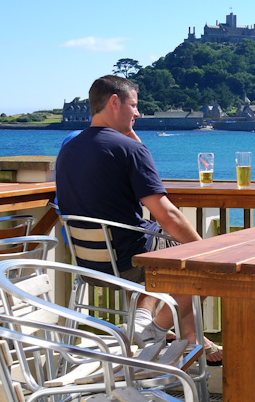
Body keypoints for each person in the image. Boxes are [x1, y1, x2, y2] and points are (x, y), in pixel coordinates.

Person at [56, 75, 221, 362]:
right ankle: (154, 331)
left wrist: (135, 144)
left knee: (159, 245)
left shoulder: (68, 149)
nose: (138, 113)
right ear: (114, 102)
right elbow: (167, 214)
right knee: (202, 268)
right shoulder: (129, 150)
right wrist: (205, 250)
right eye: (133, 105)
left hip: (88, 264)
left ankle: (146, 320)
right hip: (128, 261)